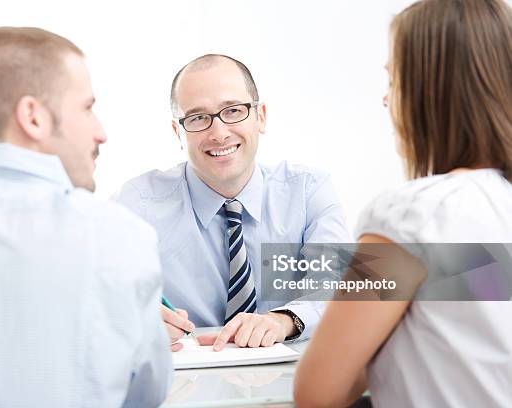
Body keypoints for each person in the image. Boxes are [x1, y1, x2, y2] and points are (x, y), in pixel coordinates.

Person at [0, 27, 171, 407]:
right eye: (87, 107)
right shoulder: (120, 237)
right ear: (33, 117)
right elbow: (144, 397)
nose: (101, 133)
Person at [294, 0, 512, 406]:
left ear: (427, 92)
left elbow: (317, 391)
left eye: (393, 81)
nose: (385, 100)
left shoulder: (412, 215)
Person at [115, 54, 351, 350]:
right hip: (188, 384)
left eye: (233, 111)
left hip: (290, 379)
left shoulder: (308, 191)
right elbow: (96, 296)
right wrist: (130, 319)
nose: (219, 133)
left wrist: (283, 320)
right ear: (179, 131)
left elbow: (342, 287)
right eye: (198, 118)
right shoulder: (138, 204)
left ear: (260, 116)